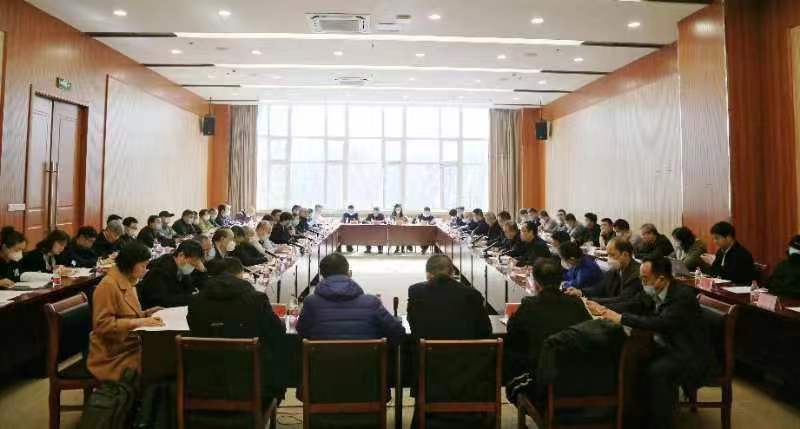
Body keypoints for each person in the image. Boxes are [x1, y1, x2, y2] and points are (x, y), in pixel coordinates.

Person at [589, 257, 716, 429]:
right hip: (666, 344)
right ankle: (638, 416)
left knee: (656, 371)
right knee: (635, 362)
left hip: (688, 352)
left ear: (661, 279)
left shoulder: (682, 296)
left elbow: (661, 323)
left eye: (645, 279)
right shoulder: (654, 289)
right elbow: (632, 303)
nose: (642, 283)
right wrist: (601, 307)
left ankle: (662, 423)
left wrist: (620, 318)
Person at [407, 254, 492, 429]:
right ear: (453, 272)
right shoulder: (472, 295)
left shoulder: (416, 292)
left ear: (428, 274)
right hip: (468, 372)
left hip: (429, 369)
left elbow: (414, 327)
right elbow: (485, 331)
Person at [187, 257, 288, 403]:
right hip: (250, 379)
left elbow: (195, 329)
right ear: (240, 275)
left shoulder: (196, 301)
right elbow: (276, 331)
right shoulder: (256, 299)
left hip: (204, 380)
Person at [505, 257, 592, 380]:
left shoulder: (529, 305)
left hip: (540, 374)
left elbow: (512, 331)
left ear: (535, 283)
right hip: (575, 374)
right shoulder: (576, 303)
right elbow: (589, 331)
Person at [88, 242, 164, 381]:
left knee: (164, 354)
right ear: (130, 264)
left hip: (129, 345)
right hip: (113, 354)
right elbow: (102, 325)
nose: (145, 269)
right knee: (159, 363)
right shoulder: (108, 286)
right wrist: (141, 321)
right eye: (143, 265)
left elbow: (129, 314)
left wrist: (148, 313)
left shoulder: (128, 281)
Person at [296, 253, 404, 344]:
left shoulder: (311, 303)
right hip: (366, 362)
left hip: (321, 362)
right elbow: (397, 332)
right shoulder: (372, 302)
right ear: (349, 273)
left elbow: (301, 333)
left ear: (322, 275)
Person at [566, 238, 641, 312]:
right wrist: (580, 292)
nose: (609, 259)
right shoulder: (614, 270)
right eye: (608, 254)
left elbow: (622, 299)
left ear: (625, 254)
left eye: (612, 255)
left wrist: (589, 300)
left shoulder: (637, 274)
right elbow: (600, 288)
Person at [138, 240, 206, 309]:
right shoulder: (161, 269)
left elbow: (190, 289)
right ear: (181, 255)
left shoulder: (181, 268)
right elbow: (165, 300)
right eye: (193, 261)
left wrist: (203, 271)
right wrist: (193, 298)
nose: (194, 265)